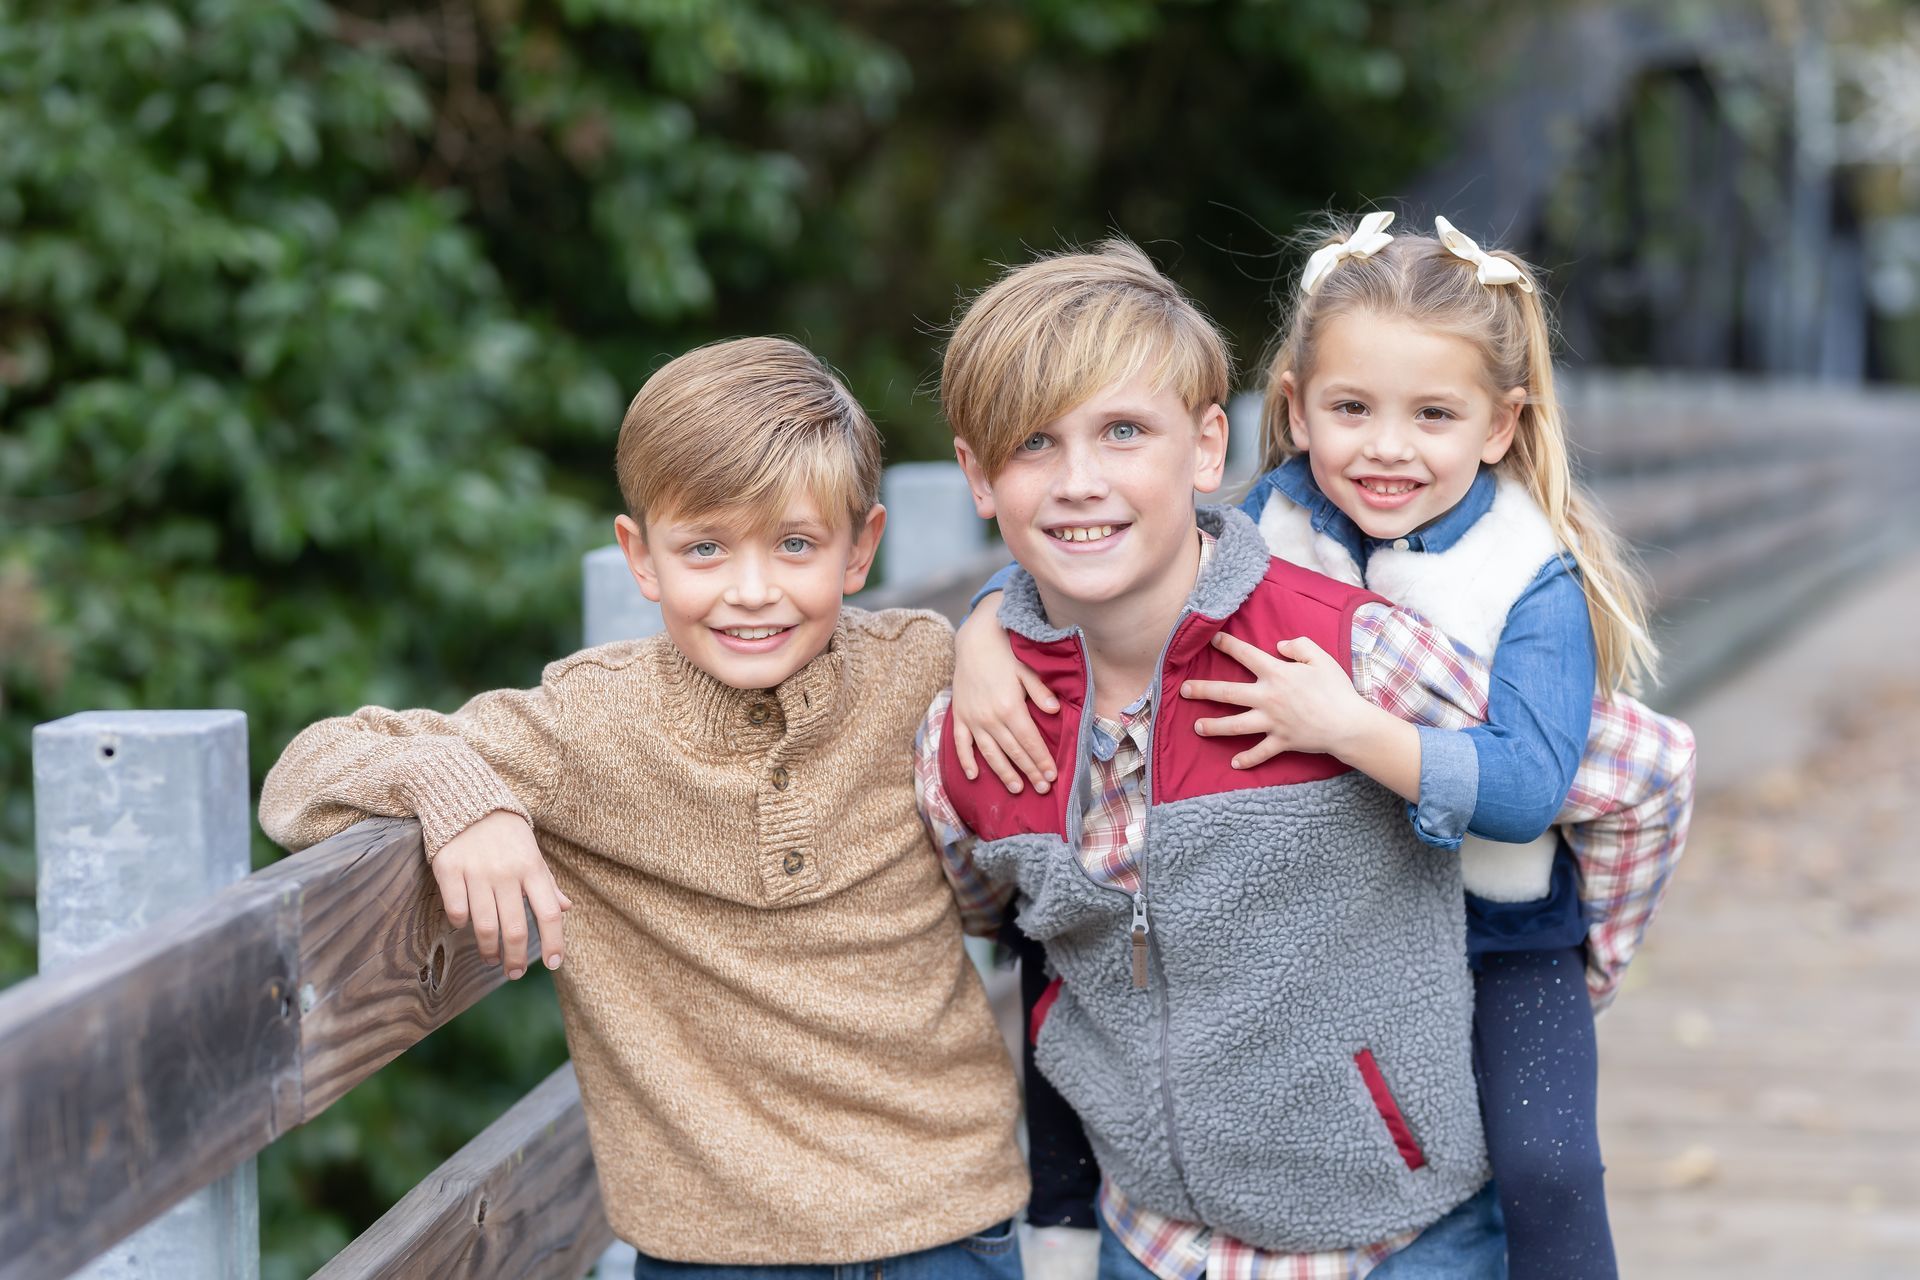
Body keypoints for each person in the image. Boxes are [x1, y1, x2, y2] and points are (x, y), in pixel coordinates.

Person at [949, 217, 1698, 1279]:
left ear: (1499, 425)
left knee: (1551, 1164)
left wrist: (1587, 961)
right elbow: (1116, 539)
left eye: (1432, 414)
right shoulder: (1273, 523)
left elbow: (1613, 779)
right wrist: (987, 619)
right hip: (1176, 1182)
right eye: (1352, 409)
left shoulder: (1516, 588)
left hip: (1508, 917)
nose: (1386, 447)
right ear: (1294, 411)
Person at [258, 337, 1030, 1277]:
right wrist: (465, 798)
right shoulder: (591, 724)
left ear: (860, 547)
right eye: (704, 548)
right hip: (714, 1249)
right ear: (642, 556)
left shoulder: (919, 665)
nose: (753, 592)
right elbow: (302, 775)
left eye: (796, 544)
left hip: (950, 1218)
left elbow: (1076, 614)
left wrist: (992, 617)